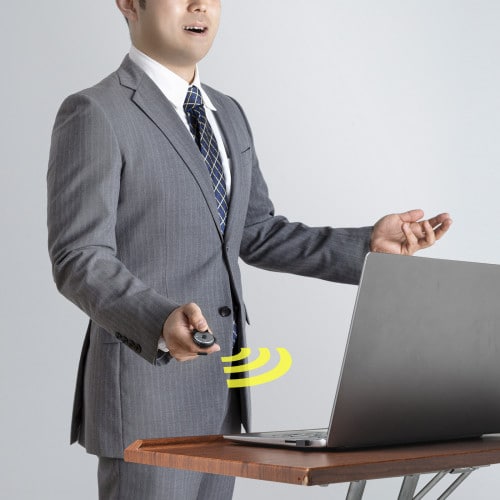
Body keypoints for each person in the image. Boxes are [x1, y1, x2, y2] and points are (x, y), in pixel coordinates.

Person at [47, 0, 452, 498]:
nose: (201, 6)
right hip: (145, 400)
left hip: (223, 400)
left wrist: (366, 245)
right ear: (130, 4)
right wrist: (157, 320)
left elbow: (256, 231)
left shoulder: (228, 114)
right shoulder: (96, 112)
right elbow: (78, 256)